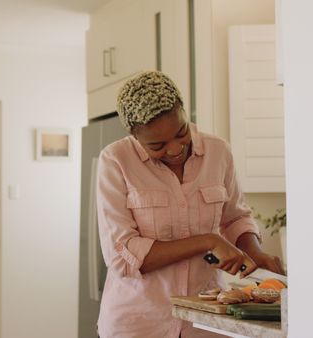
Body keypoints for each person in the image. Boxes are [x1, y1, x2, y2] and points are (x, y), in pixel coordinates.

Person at [96, 71, 285, 338]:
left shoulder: (218, 151)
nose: (174, 149)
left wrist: (254, 251)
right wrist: (207, 241)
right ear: (135, 137)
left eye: (181, 132)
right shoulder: (116, 161)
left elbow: (235, 219)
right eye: (157, 145)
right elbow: (122, 256)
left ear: (184, 112)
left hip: (206, 321)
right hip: (139, 323)